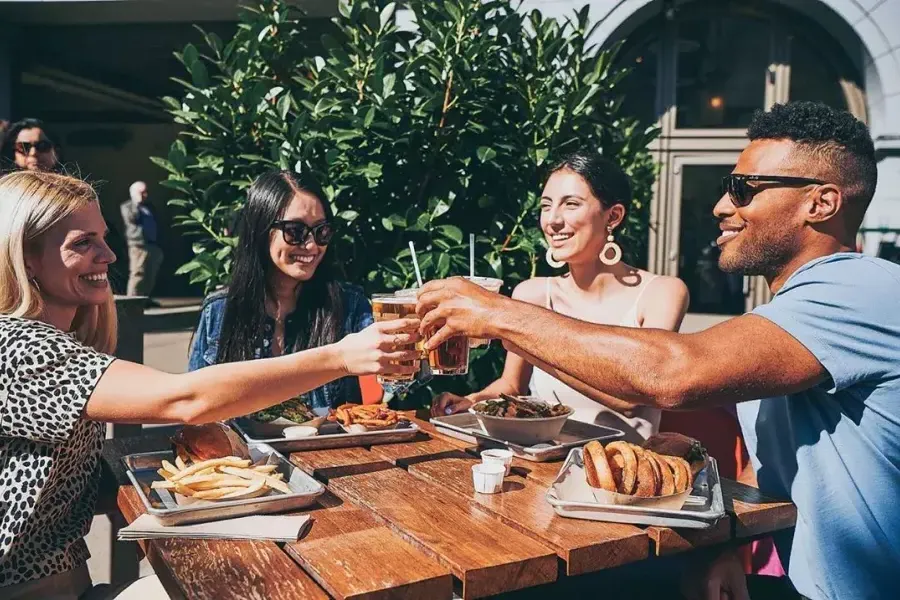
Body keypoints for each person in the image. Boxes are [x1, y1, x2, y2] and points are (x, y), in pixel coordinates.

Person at [416, 101, 899, 600]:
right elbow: (775, 459)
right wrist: (726, 546)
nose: (720, 206)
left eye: (743, 189)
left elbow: (673, 374)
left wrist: (497, 314)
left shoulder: (861, 288)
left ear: (820, 203)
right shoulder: (794, 313)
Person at [0, 170, 420, 598]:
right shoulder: (18, 347)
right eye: (82, 242)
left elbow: (60, 490)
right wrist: (339, 356)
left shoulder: (56, 342)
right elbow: (186, 399)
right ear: (26, 256)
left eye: (104, 237)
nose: (109, 254)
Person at [431, 152, 688, 442]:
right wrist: (474, 400)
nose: (552, 221)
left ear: (613, 216)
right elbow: (512, 385)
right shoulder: (532, 293)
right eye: (546, 206)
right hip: (541, 464)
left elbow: (632, 396)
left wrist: (530, 342)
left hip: (620, 475)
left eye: (571, 204)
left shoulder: (660, 292)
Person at [189, 169, 374, 409]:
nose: (311, 245)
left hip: (327, 446)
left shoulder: (349, 306)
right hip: (240, 447)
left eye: (322, 231)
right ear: (261, 231)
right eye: (295, 232)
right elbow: (194, 406)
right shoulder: (219, 311)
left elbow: (393, 378)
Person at [120, 181, 164, 303]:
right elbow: (132, 219)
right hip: (138, 245)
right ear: (133, 193)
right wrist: (136, 203)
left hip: (152, 244)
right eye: (141, 192)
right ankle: (132, 301)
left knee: (151, 275)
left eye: (146, 192)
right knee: (138, 273)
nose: (145, 195)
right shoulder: (127, 207)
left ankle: (145, 299)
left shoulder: (150, 207)